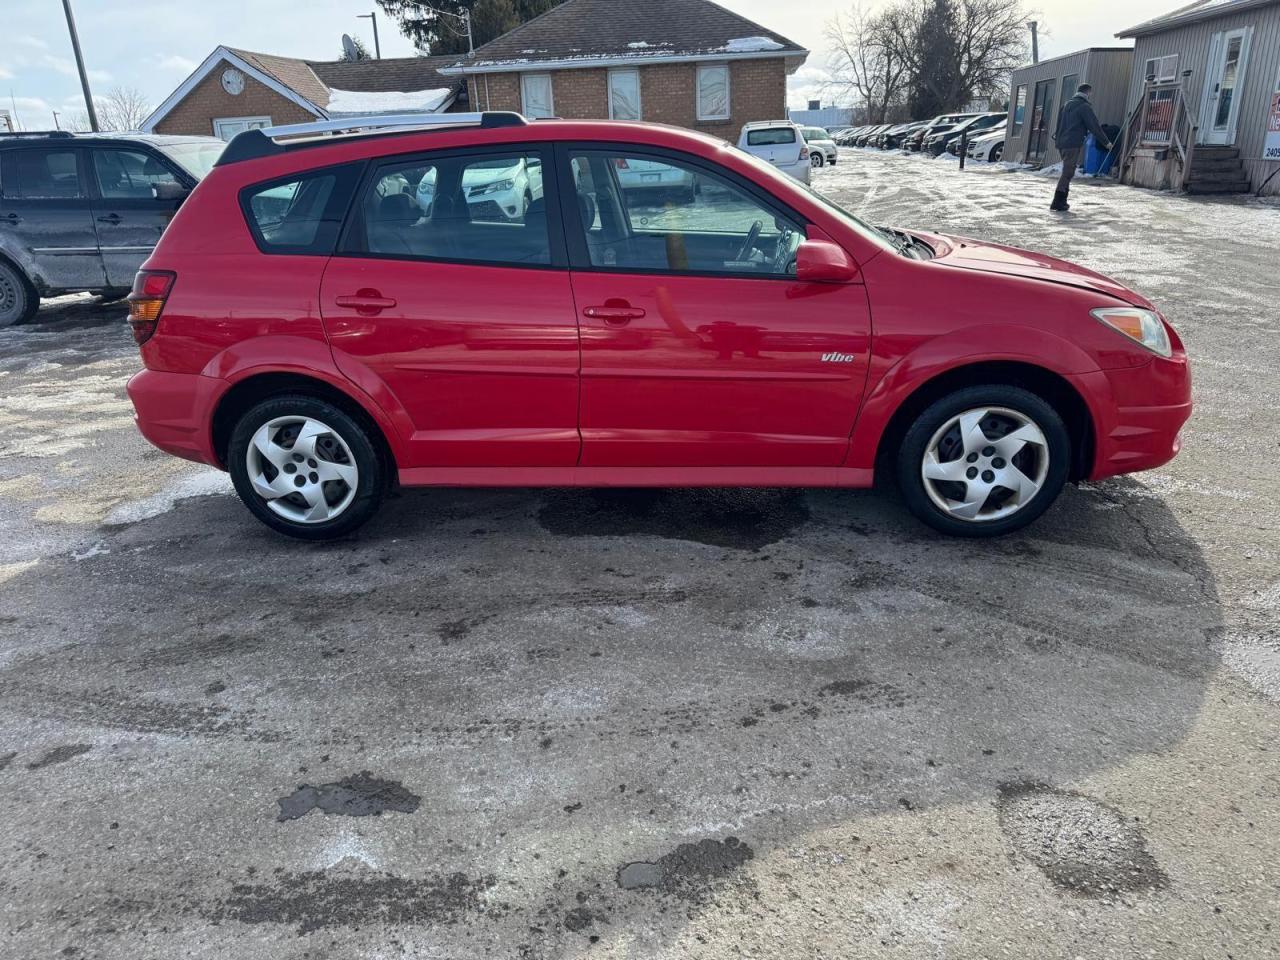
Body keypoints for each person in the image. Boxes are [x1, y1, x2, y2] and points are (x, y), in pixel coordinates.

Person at [1051, 83, 1113, 212]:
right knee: (1067, 172)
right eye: (1090, 94)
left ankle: (1062, 201)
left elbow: (1059, 124)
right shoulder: (1084, 107)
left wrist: (1058, 138)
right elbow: (1094, 126)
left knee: (1069, 170)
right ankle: (1058, 201)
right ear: (1087, 93)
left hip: (1061, 142)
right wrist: (1106, 142)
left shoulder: (1066, 105)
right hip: (1072, 143)